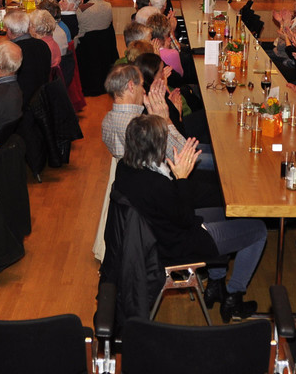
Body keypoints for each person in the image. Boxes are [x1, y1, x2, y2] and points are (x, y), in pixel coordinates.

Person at [112, 114, 267, 322]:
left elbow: (173, 210)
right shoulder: (157, 185)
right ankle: (234, 298)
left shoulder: (124, 167)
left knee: (228, 212)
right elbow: (185, 219)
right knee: (258, 230)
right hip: (178, 244)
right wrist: (182, 179)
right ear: (157, 146)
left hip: (159, 235)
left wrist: (179, 180)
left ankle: (215, 285)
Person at [3, 10, 51, 107]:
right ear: (28, 27)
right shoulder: (43, 45)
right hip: (42, 100)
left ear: (8, 31)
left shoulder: (11, 52)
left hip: (19, 103)